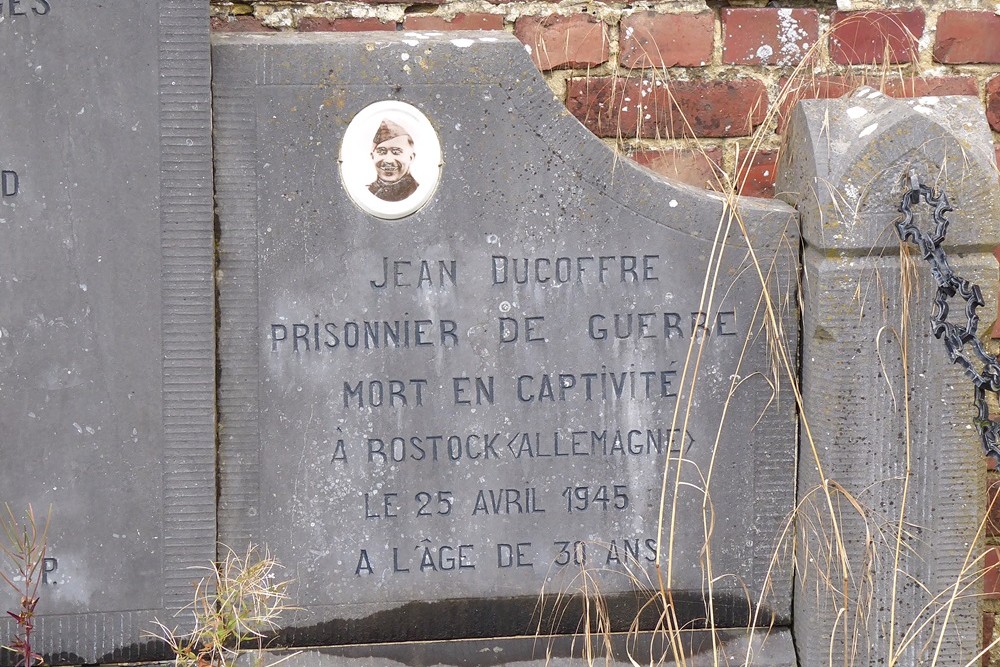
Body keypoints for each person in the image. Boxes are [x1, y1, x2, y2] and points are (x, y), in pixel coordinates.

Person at [367, 118, 419, 202]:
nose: (388, 160)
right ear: (372, 156)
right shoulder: (367, 193)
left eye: (396, 152)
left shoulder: (417, 193)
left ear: (411, 157)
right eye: (381, 151)